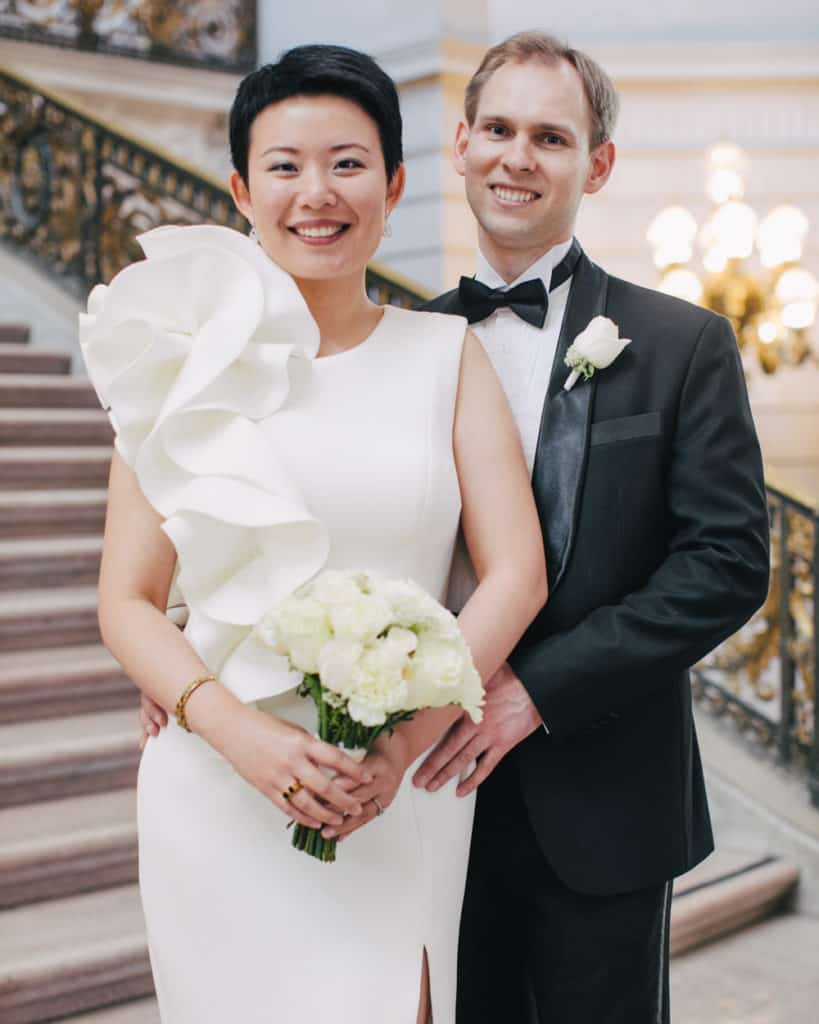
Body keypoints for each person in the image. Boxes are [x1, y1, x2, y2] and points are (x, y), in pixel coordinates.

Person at [91, 44, 546, 1024]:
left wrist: (404, 746)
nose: (316, 194)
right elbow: (126, 598)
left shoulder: (444, 353)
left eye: (346, 162)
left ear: (393, 184)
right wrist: (239, 733)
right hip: (216, 787)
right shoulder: (176, 365)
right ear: (240, 190)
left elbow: (516, 573)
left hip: (400, 784)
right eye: (284, 166)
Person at [412, 31, 770, 1024]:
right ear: (463, 142)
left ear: (596, 164)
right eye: (498, 129)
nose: (516, 156)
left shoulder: (680, 344)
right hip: (435, 796)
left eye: (550, 137)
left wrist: (536, 690)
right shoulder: (405, 340)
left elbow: (728, 563)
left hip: (607, 792)